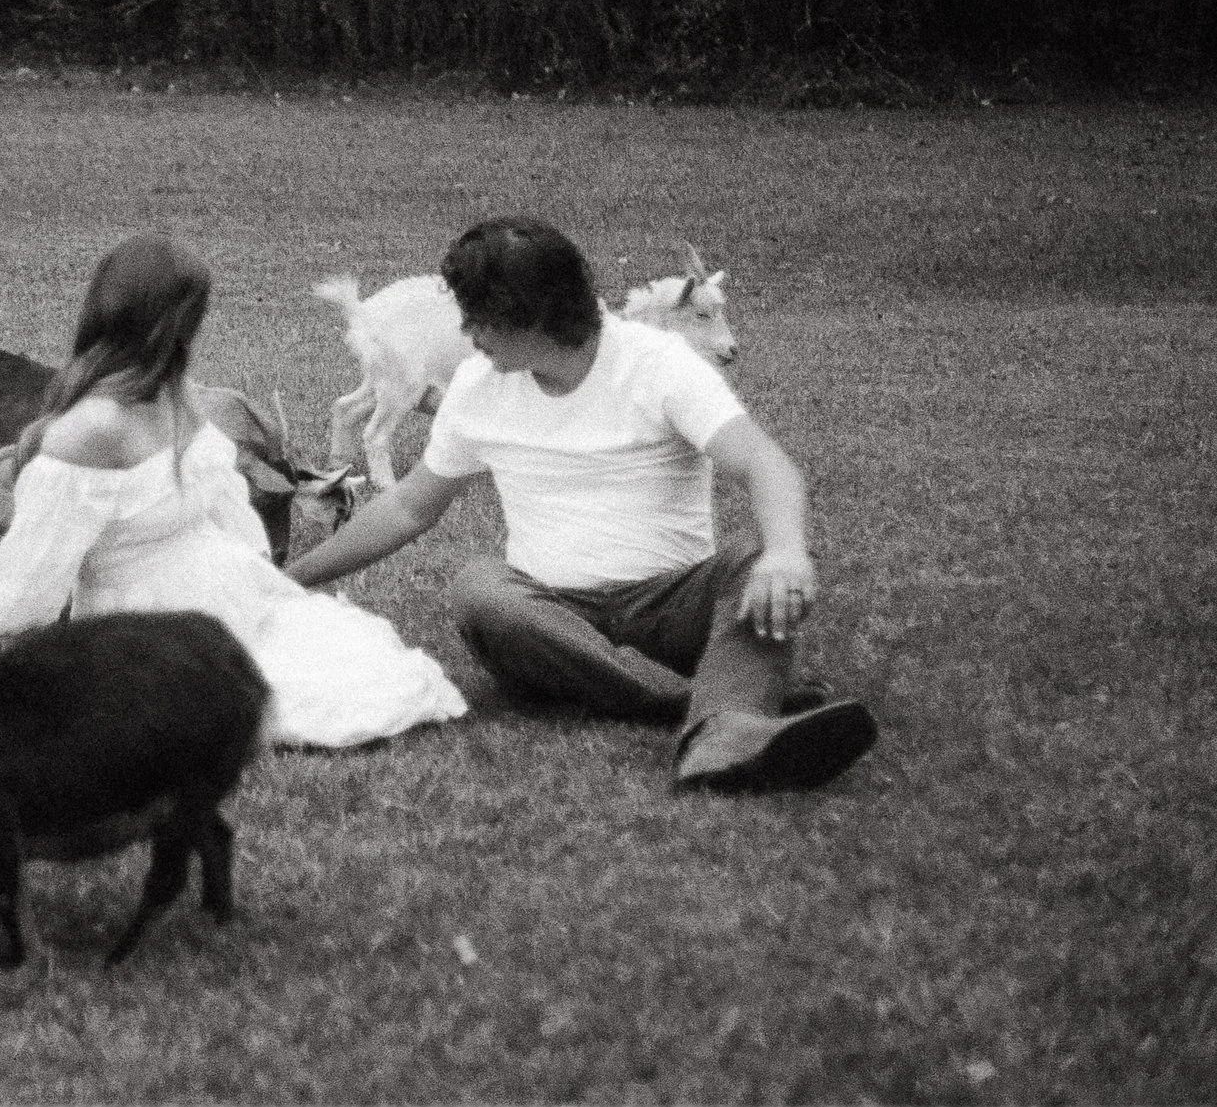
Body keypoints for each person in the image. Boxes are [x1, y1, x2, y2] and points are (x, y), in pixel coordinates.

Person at [285, 217, 878, 790]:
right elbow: (410, 508)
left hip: (673, 603)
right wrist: (290, 579)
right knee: (481, 589)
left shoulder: (658, 363)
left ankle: (721, 730)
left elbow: (765, 463)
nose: (470, 335)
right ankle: (705, 709)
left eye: (479, 318)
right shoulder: (475, 384)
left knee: (751, 569)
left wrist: (785, 551)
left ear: (532, 314)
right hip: (549, 619)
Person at [0, 232, 468, 750]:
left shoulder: (91, 427)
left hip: (153, 615)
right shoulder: (179, 403)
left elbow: (21, 600)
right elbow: (239, 527)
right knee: (326, 662)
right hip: (223, 585)